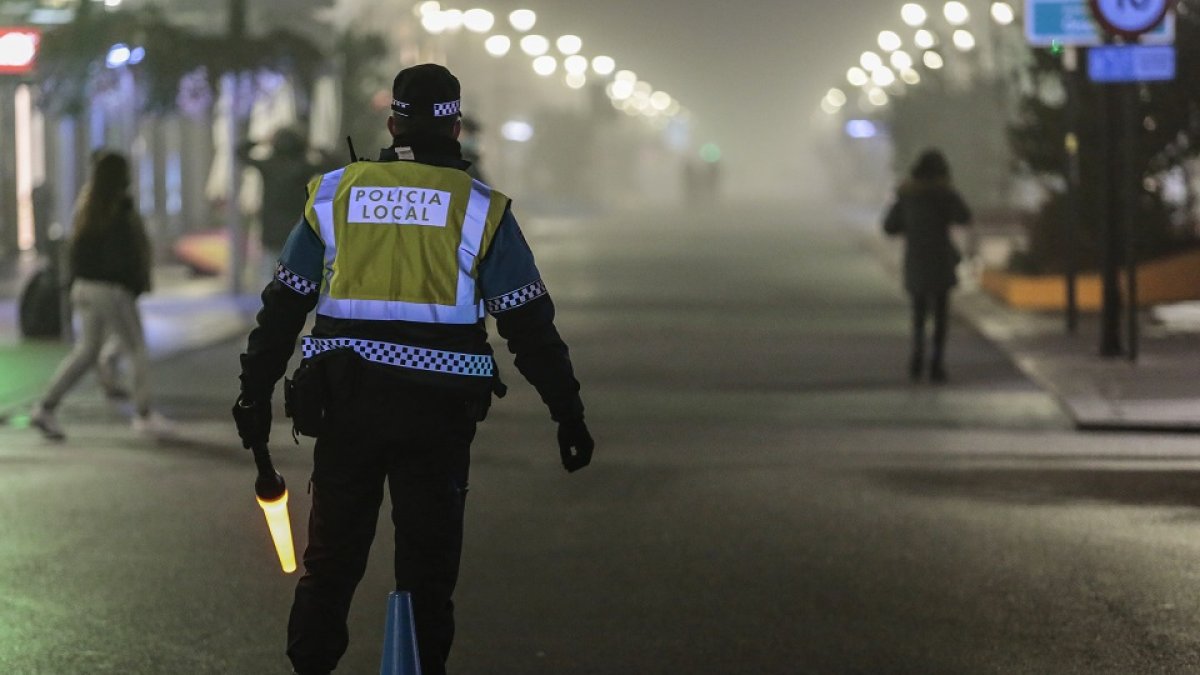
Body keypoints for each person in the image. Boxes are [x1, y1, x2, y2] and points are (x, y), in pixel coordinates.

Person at [232, 63, 594, 675]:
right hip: (437, 415)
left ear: (393, 123)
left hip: (344, 406)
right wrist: (568, 411)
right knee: (427, 575)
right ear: (456, 128)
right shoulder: (480, 209)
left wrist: (253, 391)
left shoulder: (335, 194)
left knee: (330, 566)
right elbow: (528, 325)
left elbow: (284, 304)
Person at [30, 151, 172, 440]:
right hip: (112, 289)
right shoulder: (120, 209)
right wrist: (133, 283)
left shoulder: (87, 206)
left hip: (85, 287)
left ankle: (45, 407)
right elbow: (127, 254)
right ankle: (144, 414)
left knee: (86, 351)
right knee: (137, 348)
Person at [883, 149, 972, 383]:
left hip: (917, 261)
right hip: (940, 261)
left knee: (919, 314)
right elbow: (964, 216)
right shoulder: (945, 194)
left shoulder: (907, 195)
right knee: (941, 316)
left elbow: (889, 226)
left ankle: (917, 359)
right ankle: (936, 364)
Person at [238, 127, 326, 282]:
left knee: (268, 272)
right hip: (297, 227)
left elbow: (240, 152)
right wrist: (313, 146)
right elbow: (334, 162)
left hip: (271, 228)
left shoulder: (268, 166)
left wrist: (261, 141)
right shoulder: (304, 167)